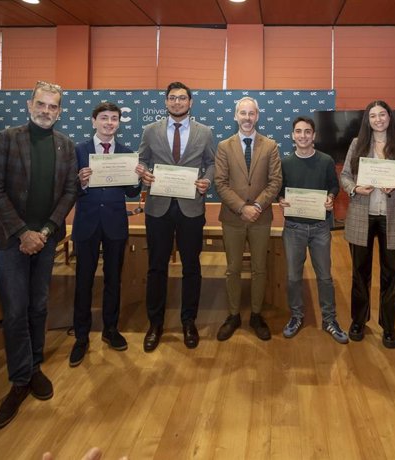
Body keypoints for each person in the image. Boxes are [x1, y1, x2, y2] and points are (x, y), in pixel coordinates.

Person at [0, 80, 77, 429]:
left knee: (38, 306)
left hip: (47, 239)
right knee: (15, 310)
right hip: (11, 240)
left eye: (53, 106)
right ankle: (19, 379)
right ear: (30, 105)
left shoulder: (65, 146)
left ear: (60, 111)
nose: (47, 111)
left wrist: (45, 232)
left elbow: (69, 192)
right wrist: (23, 233)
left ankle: (34, 366)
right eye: (42, 104)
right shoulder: (8, 138)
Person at [135, 81, 215, 351]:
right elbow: (142, 159)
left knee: (191, 266)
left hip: (191, 208)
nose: (177, 102)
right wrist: (143, 172)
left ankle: (188, 321)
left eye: (182, 98)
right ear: (166, 102)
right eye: (172, 98)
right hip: (158, 208)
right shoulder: (150, 130)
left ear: (190, 102)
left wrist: (206, 180)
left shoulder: (205, 132)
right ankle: (155, 323)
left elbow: (212, 163)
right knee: (156, 267)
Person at [340, 100, 395, 348]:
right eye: (373, 115)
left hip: (392, 217)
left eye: (382, 114)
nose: (378, 119)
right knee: (359, 274)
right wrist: (354, 188)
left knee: (391, 275)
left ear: (389, 118)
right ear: (367, 120)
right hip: (362, 215)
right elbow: (344, 176)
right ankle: (358, 320)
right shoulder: (358, 144)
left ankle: (388, 326)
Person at [69, 102, 142, 367]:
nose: (109, 122)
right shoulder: (79, 151)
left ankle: (111, 330)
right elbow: (68, 189)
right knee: (83, 281)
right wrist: (81, 182)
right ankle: (81, 336)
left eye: (114, 118)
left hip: (114, 225)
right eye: (104, 118)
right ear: (93, 121)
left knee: (113, 279)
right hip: (87, 224)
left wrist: (137, 178)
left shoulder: (126, 153)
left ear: (119, 123)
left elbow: (132, 193)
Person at [214, 96, 283, 341]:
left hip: (261, 217)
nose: (246, 118)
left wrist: (257, 205)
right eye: (242, 113)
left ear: (257, 116)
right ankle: (233, 315)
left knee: (259, 269)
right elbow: (220, 183)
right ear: (235, 116)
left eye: (251, 113)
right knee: (232, 270)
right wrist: (242, 207)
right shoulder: (224, 146)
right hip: (232, 218)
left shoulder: (270, 146)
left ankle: (255, 314)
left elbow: (275, 181)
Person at [277, 116, 348, 344]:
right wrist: (281, 199)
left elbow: (334, 186)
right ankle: (296, 316)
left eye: (307, 132)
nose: (303, 136)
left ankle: (329, 319)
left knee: (325, 277)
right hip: (294, 227)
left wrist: (330, 197)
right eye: (298, 132)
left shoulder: (326, 160)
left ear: (314, 135)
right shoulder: (285, 162)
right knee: (293, 277)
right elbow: (279, 190)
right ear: (292, 135)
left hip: (319, 227)